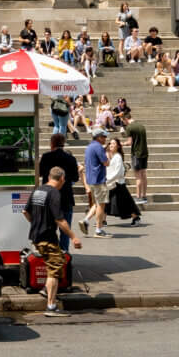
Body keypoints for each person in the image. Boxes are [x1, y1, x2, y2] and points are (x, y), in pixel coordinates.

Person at [25, 164, 77, 317]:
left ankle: (46, 290)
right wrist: (74, 237)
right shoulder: (54, 193)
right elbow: (60, 220)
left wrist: (36, 224)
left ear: (48, 177)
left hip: (36, 236)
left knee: (57, 262)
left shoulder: (38, 190)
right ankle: (51, 306)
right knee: (54, 271)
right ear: (62, 179)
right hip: (48, 237)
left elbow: (25, 211)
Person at [81, 131, 110, 237]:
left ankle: (86, 220)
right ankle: (98, 229)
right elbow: (106, 162)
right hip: (99, 180)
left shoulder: (89, 147)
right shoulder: (98, 147)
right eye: (103, 136)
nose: (105, 138)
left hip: (91, 179)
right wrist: (106, 153)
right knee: (101, 205)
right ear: (98, 137)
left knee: (97, 204)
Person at [122, 108, 151, 203]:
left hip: (136, 154)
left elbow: (130, 142)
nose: (124, 123)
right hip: (144, 152)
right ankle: (144, 196)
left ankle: (138, 197)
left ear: (125, 119)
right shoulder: (141, 126)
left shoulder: (130, 128)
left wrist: (121, 144)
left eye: (124, 121)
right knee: (143, 175)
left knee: (138, 176)